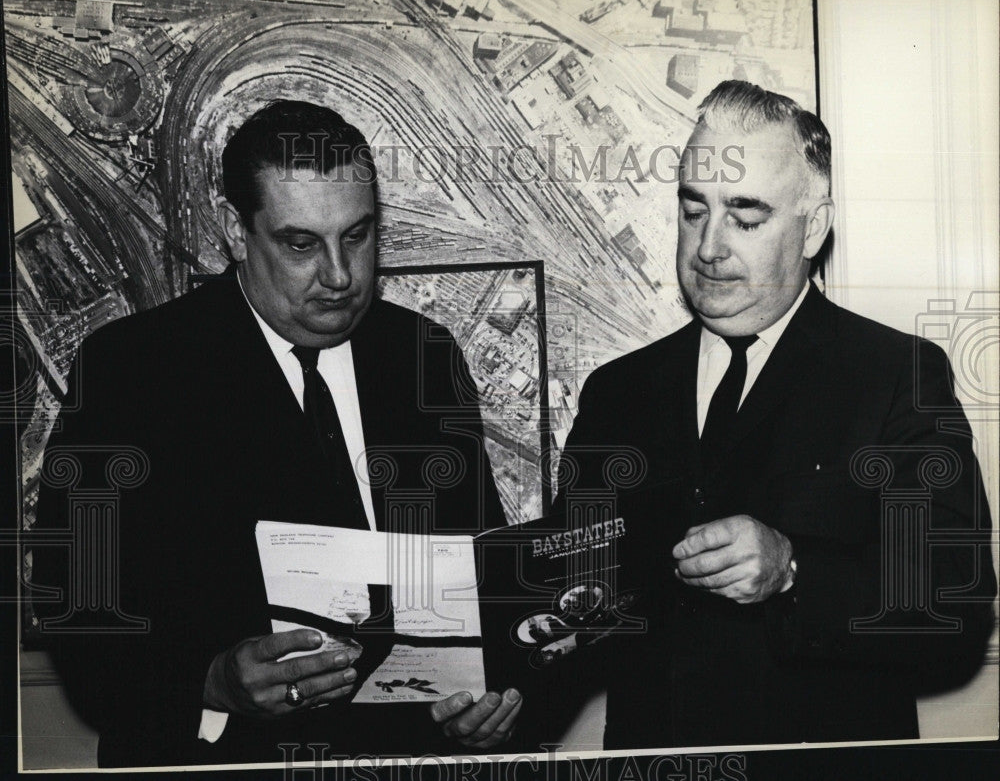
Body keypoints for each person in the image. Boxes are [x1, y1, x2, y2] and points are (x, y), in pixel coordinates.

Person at [33, 101, 520, 766]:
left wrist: (491, 703)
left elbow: (478, 575)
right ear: (235, 231)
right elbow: (77, 613)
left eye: (358, 235)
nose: (341, 275)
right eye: (301, 244)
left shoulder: (424, 355)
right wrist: (211, 682)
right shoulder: (131, 371)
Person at [555, 80, 996, 748]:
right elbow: (573, 593)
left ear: (812, 226)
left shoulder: (895, 375)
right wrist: (505, 684)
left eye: (745, 216)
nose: (708, 246)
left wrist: (794, 569)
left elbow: (953, 597)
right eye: (693, 209)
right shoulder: (618, 391)